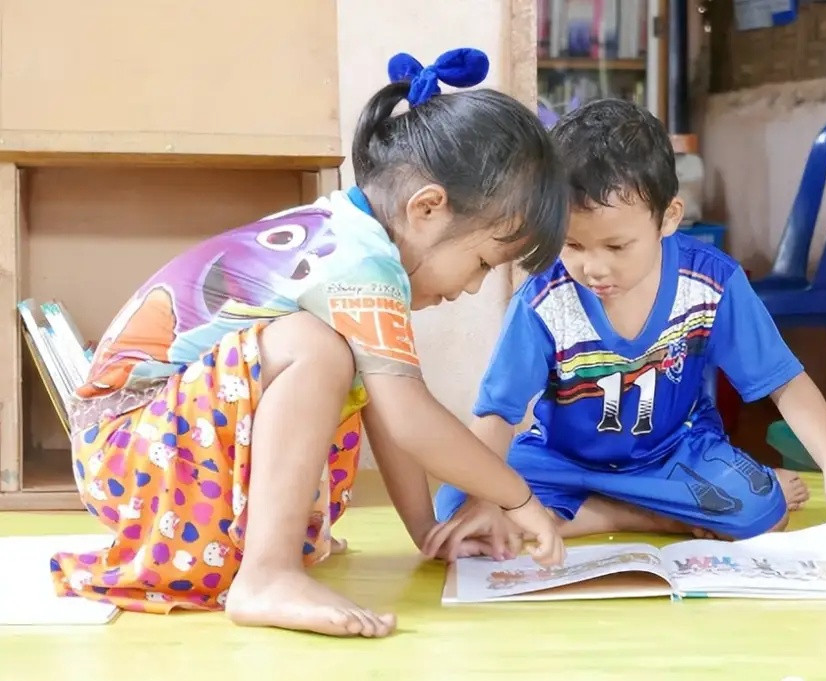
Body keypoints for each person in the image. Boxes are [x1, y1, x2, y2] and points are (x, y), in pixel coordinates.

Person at [49, 48, 568, 639]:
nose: (473, 286)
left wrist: (428, 530)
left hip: (154, 455)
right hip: (131, 452)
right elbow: (410, 420)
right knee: (317, 349)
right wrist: (519, 499)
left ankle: (268, 565)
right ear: (427, 208)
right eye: (481, 261)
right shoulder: (358, 264)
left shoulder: (352, 243)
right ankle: (265, 575)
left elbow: (388, 408)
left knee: (353, 363)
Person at [424, 99, 826, 560]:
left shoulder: (710, 282)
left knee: (764, 514)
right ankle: (639, 516)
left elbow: (784, 382)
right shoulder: (544, 300)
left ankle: (605, 512)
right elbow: (498, 414)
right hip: (561, 460)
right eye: (571, 244)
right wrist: (485, 501)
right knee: (456, 506)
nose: (594, 267)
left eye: (617, 245)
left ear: (668, 218)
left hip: (672, 456)